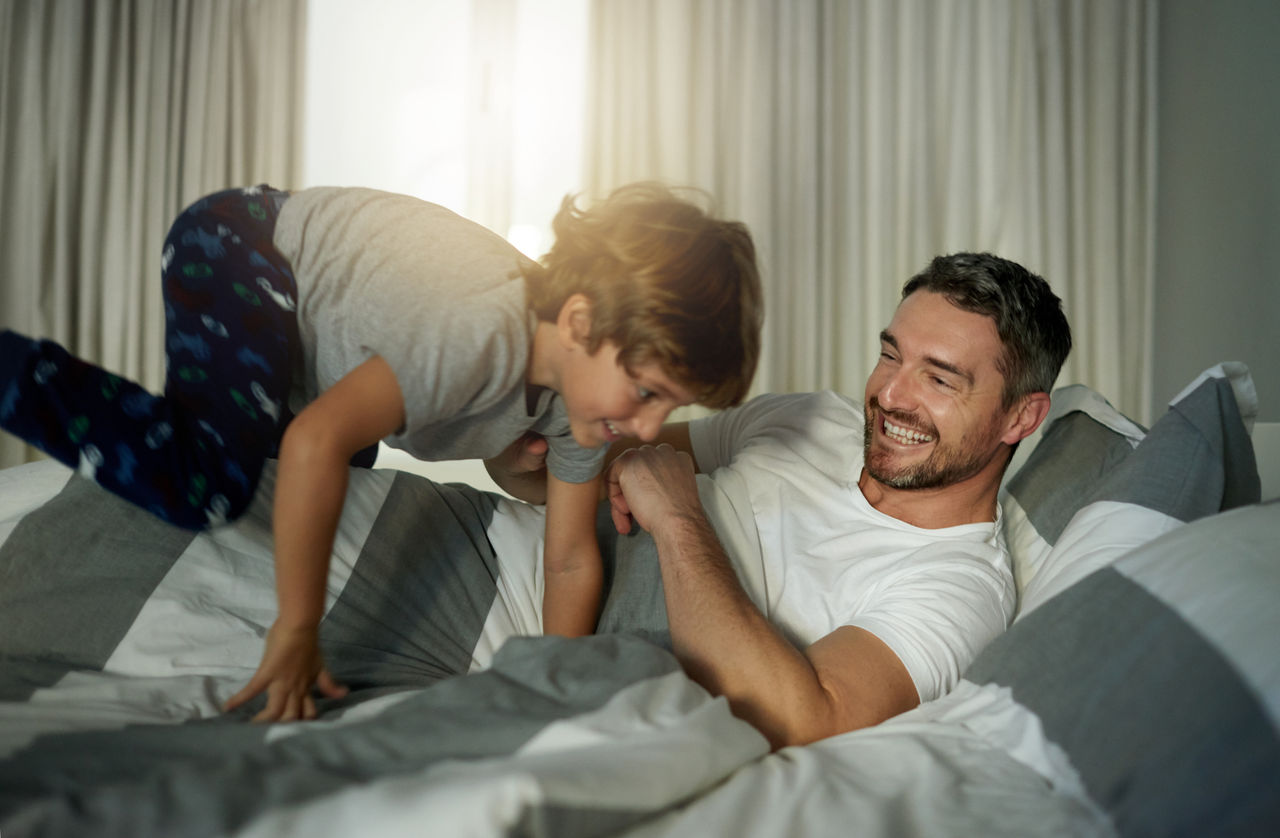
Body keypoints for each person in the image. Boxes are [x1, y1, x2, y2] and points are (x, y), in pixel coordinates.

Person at [0, 181, 763, 722]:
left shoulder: (576, 412)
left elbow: (567, 557)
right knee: (208, 482)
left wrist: (541, 685)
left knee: (334, 508)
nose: (650, 423)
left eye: (671, 405)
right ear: (578, 320)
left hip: (315, 358)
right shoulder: (483, 331)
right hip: (247, 248)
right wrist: (296, 632)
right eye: (646, 390)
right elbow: (315, 440)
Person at [497, 251, 1071, 750]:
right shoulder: (810, 417)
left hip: (518, 640)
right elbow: (566, 468)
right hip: (482, 539)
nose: (890, 395)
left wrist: (676, 517)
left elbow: (802, 723)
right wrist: (522, 455)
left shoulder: (959, 586)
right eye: (891, 356)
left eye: (940, 380)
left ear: (1022, 416)